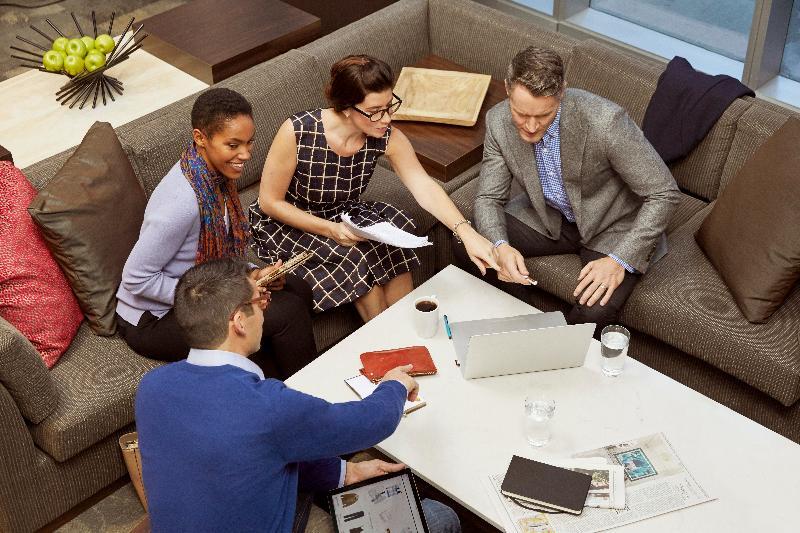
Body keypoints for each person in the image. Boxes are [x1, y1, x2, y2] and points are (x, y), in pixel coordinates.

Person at [135, 257, 461, 532]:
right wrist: (395, 384)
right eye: (259, 301)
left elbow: (247, 454)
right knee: (441, 518)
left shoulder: (151, 389)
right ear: (238, 323)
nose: (265, 308)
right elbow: (369, 422)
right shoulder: (269, 406)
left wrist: (345, 472)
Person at [250, 55, 499, 322]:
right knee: (353, 257)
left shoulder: (386, 137)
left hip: (344, 214)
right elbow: (269, 202)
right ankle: (386, 340)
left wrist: (466, 232)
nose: (386, 119)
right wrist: (331, 230)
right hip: (292, 220)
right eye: (375, 112)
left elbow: (423, 185)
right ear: (346, 107)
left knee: (394, 237)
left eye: (390, 106)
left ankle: (409, 331)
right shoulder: (298, 131)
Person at [455, 46, 680, 332]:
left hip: (615, 225)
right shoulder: (498, 121)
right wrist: (500, 245)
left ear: (562, 93)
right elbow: (488, 197)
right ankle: (523, 327)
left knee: (594, 311)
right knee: (469, 244)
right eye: (521, 114)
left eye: (544, 116)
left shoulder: (605, 121)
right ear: (508, 90)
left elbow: (664, 193)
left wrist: (619, 260)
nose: (531, 127)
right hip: (550, 215)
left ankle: (552, 357)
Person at [116, 88, 316, 379]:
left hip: (202, 288)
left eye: (249, 143)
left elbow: (218, 251)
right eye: (233, 145)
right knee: (288, 313)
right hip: (152, 318)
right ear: (200, 138)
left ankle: (271, 382)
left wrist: (252, 274)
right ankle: (308, 397)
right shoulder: (181, 203)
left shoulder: (215, 177)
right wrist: (225, 297)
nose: (245, 154)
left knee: (297, 289)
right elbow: (136, 278)